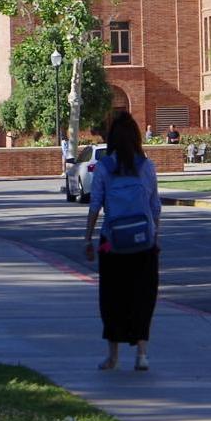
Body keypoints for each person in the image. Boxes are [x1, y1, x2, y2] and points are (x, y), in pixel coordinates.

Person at [82, 111, 161, 371]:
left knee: (112, 297)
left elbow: (95, 204)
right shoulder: (146, 167)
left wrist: (88, 239)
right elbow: (155, 206)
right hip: (144, 244)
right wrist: (154, 236)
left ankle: (112, 356)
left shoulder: (104, 167)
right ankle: (142, 354)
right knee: (142, 297)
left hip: (111, 243)